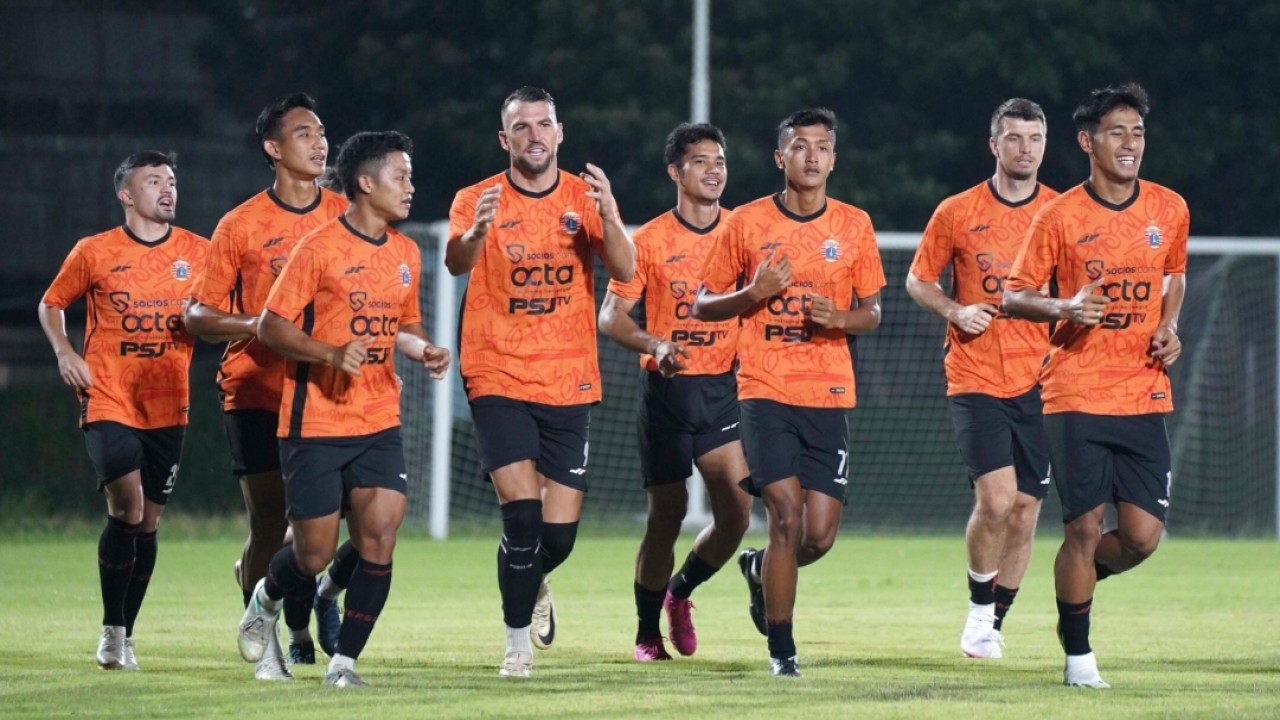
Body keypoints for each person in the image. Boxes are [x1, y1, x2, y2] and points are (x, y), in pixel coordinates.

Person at [236, 130, 450, 688]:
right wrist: (330, 353)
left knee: (380, 536)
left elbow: (404, 325)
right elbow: (270, 324)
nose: (410, 187)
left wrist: (421, 347)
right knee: (312, 554)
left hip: (378, 418)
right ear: (365, 182)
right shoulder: (319, 248)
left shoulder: (405, 252)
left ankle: (343, 664)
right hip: (316, 421)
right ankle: (264, 597)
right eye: (400, 176)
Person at [445, 86, 635, 678]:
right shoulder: (476, 199)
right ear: (505, 139)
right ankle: (516, 644)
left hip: (569, 377)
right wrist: (476, 236)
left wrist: (609, 215)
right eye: (521, 126)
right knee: (521, 516)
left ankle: (535, 577)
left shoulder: (585, 196)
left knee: (557, 539)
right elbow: (455, 260)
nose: (534, 134)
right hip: (496, 368)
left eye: (544, 124)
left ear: (559, 133)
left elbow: (627, 270)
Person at [1003, 82, 1188, 689]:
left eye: (1137, 132)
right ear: (1087, 141)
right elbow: (1013, 295)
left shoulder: (1169, 208)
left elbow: (1174, 277)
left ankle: (1073, 587)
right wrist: (1065, 306)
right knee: (1082, 528)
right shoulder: (1058, 216)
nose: (1130, 143)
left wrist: (1169, 327)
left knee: (1141, 537)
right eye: (1117, 132)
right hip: (1075, 394)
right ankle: (1078, 655)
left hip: (1143, 393)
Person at [693, 108, 885, 677]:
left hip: (828, 392)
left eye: (823, 147)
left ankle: (758, 570)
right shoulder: (747, 223)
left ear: (833, 157)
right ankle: (783, 653)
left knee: (817, 536)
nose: (812, 157)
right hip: (764, 389)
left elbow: (873, 311)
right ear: (781, 157)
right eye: (800, 147)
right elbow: (704, 303)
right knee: (784, 514)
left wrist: (842, 319)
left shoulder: (854, 225)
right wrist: (754, 292)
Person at [184, 92, 349, 678]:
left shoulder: (345, 213)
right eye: (304, 133)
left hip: (328, 391)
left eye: (322, 131)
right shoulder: (241, 224)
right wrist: (255, 324)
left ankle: (324, 595)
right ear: (273, 148)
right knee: (271, 521)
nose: (320, 142)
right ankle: (271, 641)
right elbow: (197, 315)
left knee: (366, 515)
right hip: (256, 390)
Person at [38, 151, 208, 671]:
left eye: (172, 181)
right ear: (126, 195)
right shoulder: (94, 251)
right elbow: (51, 303)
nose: (167, 189)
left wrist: (206, 321)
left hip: (168, 403)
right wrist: (66, 353)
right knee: (127, 507)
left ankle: (126, 633)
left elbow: (217, 310)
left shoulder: (199, 252)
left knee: (148, 523)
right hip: (108, 395)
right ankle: (111, 633)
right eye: (153, 180)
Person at [905, 98, 1059, 659]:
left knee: (1026, 509)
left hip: (1042, 378)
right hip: (973, 373)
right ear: (994, 145)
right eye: (1014, 139)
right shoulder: (957, 210)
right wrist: (955, 310)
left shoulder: (1063, 212)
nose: (1026, 149)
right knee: (996, 500)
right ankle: (976, 613)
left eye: (1035, 138)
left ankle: (994, 621)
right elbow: (918, 280)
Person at [598, 122, 752, 662]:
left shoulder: (744, 231)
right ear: (675, 172)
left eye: (720, 160)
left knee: (736, 513)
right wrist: (654, 343)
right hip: (667, 391)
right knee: (667, 513)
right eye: (701, 161)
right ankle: (646, 634)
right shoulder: (651, 241)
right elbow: (611, 317)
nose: (714, 170)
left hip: (723, 390)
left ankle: (679, 592)